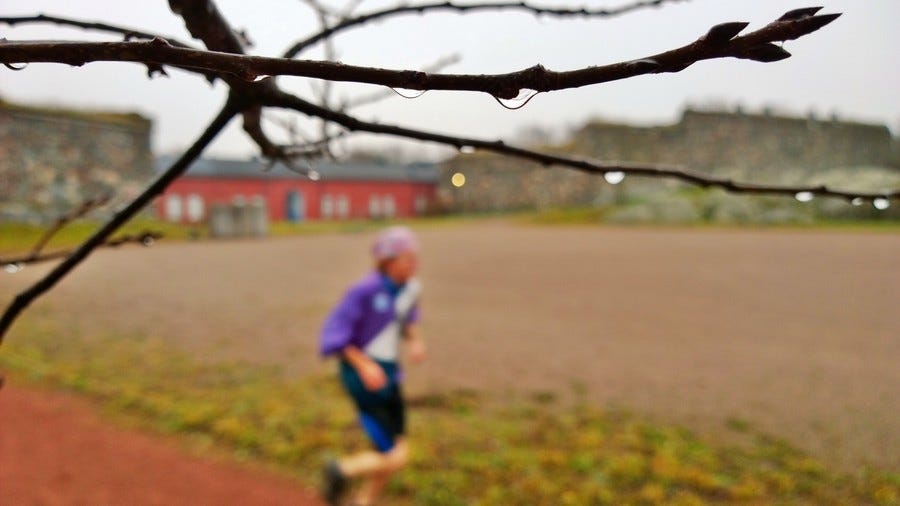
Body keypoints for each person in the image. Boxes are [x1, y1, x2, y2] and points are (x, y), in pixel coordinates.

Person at [319, 226, 426, 506]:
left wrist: (414, 341)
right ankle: (340, 470)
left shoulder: (410, 289)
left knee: (394, 450)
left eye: (415, 258)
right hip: (364, 378)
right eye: (408, 259)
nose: (415, 264)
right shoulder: (363, 291)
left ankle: (362, 499)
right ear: (388, 262)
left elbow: (408, 318)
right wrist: (365, 365)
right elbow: (334, 337)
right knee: (394, 454)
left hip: (391, 376)